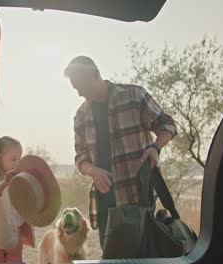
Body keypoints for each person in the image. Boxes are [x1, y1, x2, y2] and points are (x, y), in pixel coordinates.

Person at [64, 55, 177, 249]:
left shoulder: (134, 96)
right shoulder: (80, 116)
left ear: (95, 75)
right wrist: (93, 171)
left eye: (81, 86)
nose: (79, 93)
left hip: (138, 202)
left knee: (141, 260)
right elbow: (80, 157)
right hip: (105, 205)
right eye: (75, 88)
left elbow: (167, 124)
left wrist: (155, 147)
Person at [0, 136, 35, 264]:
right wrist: (5, 182)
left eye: (19, 159)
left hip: (13, 240)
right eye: (13, 159)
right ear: (0, 157)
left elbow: (18, 209)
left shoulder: (16, 183)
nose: (17, 164)